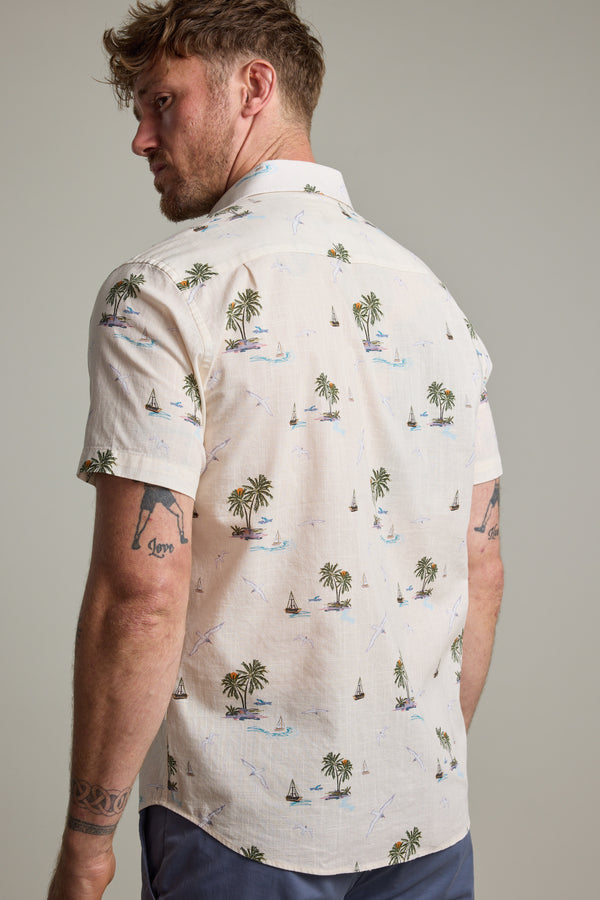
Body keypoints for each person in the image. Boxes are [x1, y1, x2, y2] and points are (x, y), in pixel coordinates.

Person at [48, 1, 504, 898]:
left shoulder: (165, 291)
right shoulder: (434, 300)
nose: (141, 138)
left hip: (234, 831)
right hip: (428, 826)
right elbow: (479, 563)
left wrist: (86, 846)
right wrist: (415, 766)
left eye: (161, 103)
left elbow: (143, 592)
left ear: (254, 87)